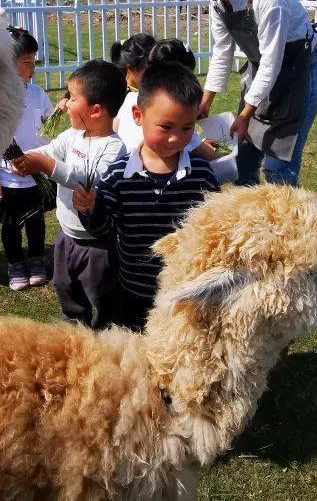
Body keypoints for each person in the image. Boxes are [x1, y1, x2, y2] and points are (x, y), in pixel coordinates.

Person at [177, 0, 317, 187]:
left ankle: (286, 222)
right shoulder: (219, 2)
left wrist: (246, 113)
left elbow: (272, 61)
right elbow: (222, 51)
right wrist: (206, 100)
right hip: (263, 72)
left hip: (298, 73)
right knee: (242, 155)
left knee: (279, 165)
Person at [80, 61, 219, 331]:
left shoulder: (201, 174)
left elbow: (212, 229)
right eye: (166, 127)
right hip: (133, 291)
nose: (175, 138)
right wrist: (90, 209)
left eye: (187, 128)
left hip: (183, 295)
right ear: (138, 115)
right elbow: (103, 231)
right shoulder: (118, 175)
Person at [12, 60, 127, 329]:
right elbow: (50, 150)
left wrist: (44, 166)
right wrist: (26, 158)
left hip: (96, 246)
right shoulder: (74, 134)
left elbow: (83, 177)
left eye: (72, 98)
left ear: (96, 110)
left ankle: (99, 333)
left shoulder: (113, 149)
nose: (64, 104)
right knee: (64, 284)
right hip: (67, 237)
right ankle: (71, 322)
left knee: (97, 293)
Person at [0, 27, 54, 291]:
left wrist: (56, 116)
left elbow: (47, 126)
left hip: (36, 174)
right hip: (8, 177)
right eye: (27, 63)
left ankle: (37, 260)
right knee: (10, 226)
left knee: (36, 222)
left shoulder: (37, 94)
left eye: (34, 62)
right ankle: (15, 264)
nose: (33, 68)